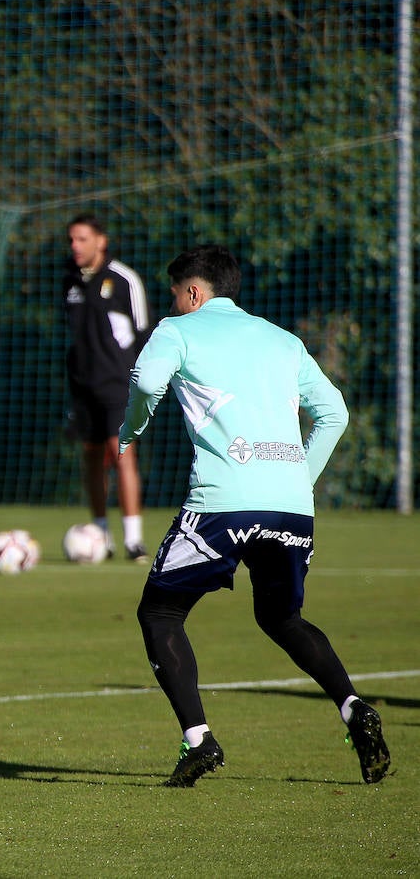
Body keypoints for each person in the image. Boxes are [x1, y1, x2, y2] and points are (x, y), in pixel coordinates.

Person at [119, 243, 389, 788]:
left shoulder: (177, 331)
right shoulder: (282, 339)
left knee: (161, 614)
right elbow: (334, 411)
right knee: (282, 618)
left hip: (222, 506)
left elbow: (147, 382)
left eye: (175, 293)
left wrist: (132, 429)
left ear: (194, 292)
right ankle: (353, 707)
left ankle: (199, 740)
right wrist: (297, 479)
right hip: (291, 509)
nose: (172, 302)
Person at [63, 213, 151, 561]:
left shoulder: (123, 279)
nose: (75, 246)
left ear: (101, 241)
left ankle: (133, 539)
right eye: (71, 239)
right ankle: (100, 533)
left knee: (121, 452)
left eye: (82, 239)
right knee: (92, 456)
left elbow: (144, 332)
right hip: (83, 385)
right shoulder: (69, 280)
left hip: (119, 382)